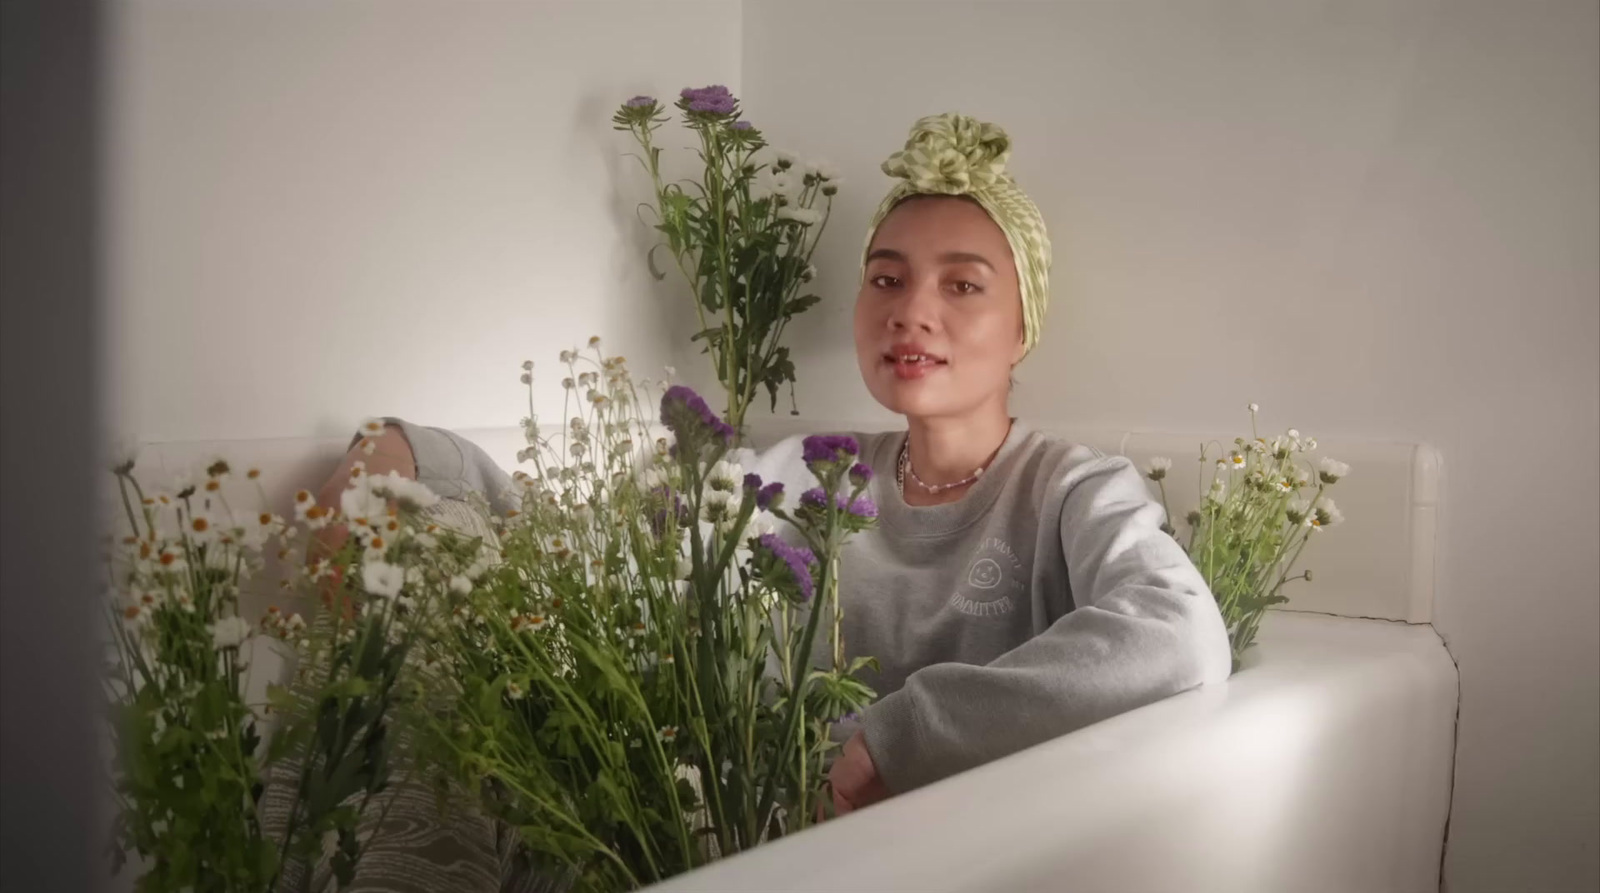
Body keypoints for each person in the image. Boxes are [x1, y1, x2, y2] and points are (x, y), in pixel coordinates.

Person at [310, 113, 1231, 849]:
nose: (911, 309)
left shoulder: (1071, 490)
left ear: (1024, 324)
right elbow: (593, 557)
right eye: (887, 276)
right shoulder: (803, 477)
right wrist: (417, 459)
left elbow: (1176, 633)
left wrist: (898, 733)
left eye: (962, 285)